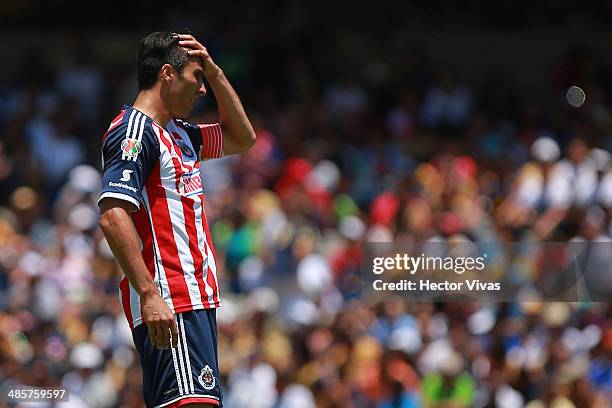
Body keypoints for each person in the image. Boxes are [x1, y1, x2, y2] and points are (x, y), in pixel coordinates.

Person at [97, 31, 256, 408]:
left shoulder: (179, 134)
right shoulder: (133, 132)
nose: (202, 90)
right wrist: (150, 295)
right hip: (171, 299)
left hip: (196, 300)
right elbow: (112, 215)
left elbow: (243, 137)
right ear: (168, 74)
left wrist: (216, 73)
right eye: (196, 78)